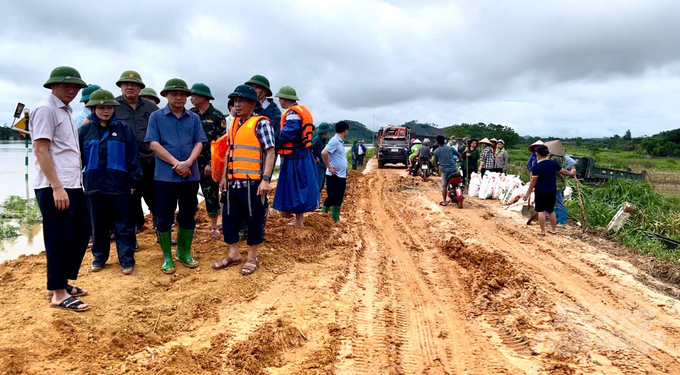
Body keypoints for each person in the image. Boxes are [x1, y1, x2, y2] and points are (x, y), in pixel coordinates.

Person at [32, 66, 92, 312]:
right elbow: (40, 150)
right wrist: (56, 187)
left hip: (72, 183)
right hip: (54, 185)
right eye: (66, 86)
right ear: (53, 86)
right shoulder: (46, 109)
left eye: (75, 87)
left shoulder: (66, 110)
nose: (72, 91)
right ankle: (58, 293)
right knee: (58, 237)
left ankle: (58, 283)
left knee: (81, 230)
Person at [145, 78, 208, 274]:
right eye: (174, 94)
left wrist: (188, 162)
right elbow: (154, 144)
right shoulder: (156, 117)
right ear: (165, 95)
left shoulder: (194, 118)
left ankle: (183, 252)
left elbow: (199, 143)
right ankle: (167, 257)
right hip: (165, 176)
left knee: (188, 213)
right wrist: (176, 163)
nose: (179, 97)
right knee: (164, 216)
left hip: (190, 175)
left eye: (183, 94)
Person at [78, 89, 142, 275]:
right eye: (101, 107)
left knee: (123, 224)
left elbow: (133, 157)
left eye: (109, 107)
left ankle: (127, 259)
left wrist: (133, 182)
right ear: (93, 109)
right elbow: (78, 159)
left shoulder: (124, 129)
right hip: (94, 185)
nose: (105, 111)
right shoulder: (85, 130)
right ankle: (99, 257)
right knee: (98, 224)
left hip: (119, 184)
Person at [215, 85, 276, 276]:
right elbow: (229, 152)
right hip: (233, 183)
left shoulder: (261, 124)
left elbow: (270, 151)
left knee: (254, 220)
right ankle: (233, 254)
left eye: (242, 101)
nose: (237, 104)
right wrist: (224, 176)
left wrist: (266, 179)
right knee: (229, 219)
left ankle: (252, 257)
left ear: (253, 103)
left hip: (253, 183)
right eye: (235, 101)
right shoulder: (233, 123)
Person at [114, 70, 160, 234]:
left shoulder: (151, 107)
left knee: (155, 196)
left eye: (134, 84)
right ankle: (134, 232)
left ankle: (161, 231)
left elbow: (162, 129)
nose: (130, 87)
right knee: (130, 199)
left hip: (150, 160)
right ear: (120, 87)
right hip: (125, 162)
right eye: (126, 84)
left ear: (140, 88)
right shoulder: (112, 105)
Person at [272, 86, 319, 227]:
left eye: (280, 98)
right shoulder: (300, 111)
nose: (279, 101)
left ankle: (299, 221)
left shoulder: (292, 114)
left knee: (296, 187)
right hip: (302, 156)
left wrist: (272, 142)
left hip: (296, 158)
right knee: (301, 187)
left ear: (284, 99)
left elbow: (287, 134)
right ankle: (299, 219)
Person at [189, 83, 226, 238]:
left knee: (210, 194)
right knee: (189, 195)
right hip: (191, 162)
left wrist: (212, 164)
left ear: (203, 97)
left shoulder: (217, 116)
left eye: (194, 95)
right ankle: (191, 225)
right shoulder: (190, 114)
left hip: (208, 164)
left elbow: (221, 143)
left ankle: (213, 226)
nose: (191, 98)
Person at [523, 145, 576, 236]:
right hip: (552, 190)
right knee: (551, 211)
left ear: (537, 154)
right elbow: (564, 172)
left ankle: (543, 231)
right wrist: (572, 173)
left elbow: (533, 181)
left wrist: (527, 193)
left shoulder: (536, 167)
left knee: (541, 211)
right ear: (548, 154)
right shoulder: (554, 164)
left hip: (540, 191)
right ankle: (553, 229)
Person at [321, 121, 350, 222]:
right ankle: (322, 216)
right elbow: (324, 153)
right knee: (332, 196)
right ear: (345, 130)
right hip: (334, 175)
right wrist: (329, 167)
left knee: (339, 197)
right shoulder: (334, 141)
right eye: (347, 130)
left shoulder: (339, 142)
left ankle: (335, 218)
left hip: (340, 175)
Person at [246, 74, 282, 143]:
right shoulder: (247, 109)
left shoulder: (275, 113)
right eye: (251, 87)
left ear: (266, 91)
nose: (253, 90)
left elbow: (274, 138)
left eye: (256, 87)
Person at [545, 140, 572, 226]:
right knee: (555, 202)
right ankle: (556, 219)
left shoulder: (554, 159)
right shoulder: (563, 158)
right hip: (561, 183)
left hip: (556, 184)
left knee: (559, 203)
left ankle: (562, 221)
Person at [433, 135, 461, 206]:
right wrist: (459, 160)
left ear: (437, 142)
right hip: (454, 168)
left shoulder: (436, 151)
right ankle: (461, 190)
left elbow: (435, 162)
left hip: (445, 171)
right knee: (459, 180)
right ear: (444, 141)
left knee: (444, 186)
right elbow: (459, 155)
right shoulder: (450, 148)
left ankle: (445, 201)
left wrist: (436, 167)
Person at [311, 123, 333, 197]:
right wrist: (315, 157)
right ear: (325, 131)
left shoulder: (323, 139)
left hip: (323, 165)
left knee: (321, 184)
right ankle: (315, 203)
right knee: (318, 184)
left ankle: (317, 202)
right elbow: (308, 149)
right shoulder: (316, 139)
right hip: (318, 165)